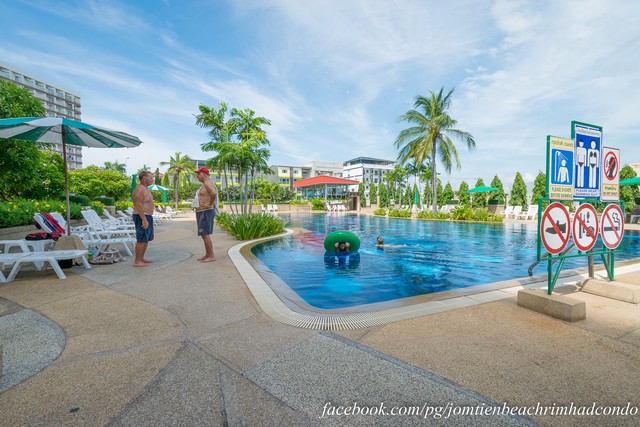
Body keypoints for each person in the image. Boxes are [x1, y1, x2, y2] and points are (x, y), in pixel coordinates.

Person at [194, 167, 218, 262]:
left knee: (205, 234)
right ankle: (208, 254)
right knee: (203, 234)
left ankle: (211, 256)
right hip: (202, 212)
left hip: (205, 212)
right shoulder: (205, 184)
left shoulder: (208, 183)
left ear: (203, 174)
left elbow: (214, 193)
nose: (197, 176)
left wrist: (209, 204)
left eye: (198, 174)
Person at [132, 170, 155, 267]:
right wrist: (144, 219)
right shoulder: (140, 189)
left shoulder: (146, 189)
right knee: (141, 239)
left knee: (146, 239)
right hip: (141, 216)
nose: (153, 179)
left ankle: (141, 258)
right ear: (144, 179)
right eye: (151, 178)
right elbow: (138, 205)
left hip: (147, 216)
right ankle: (137, 261)